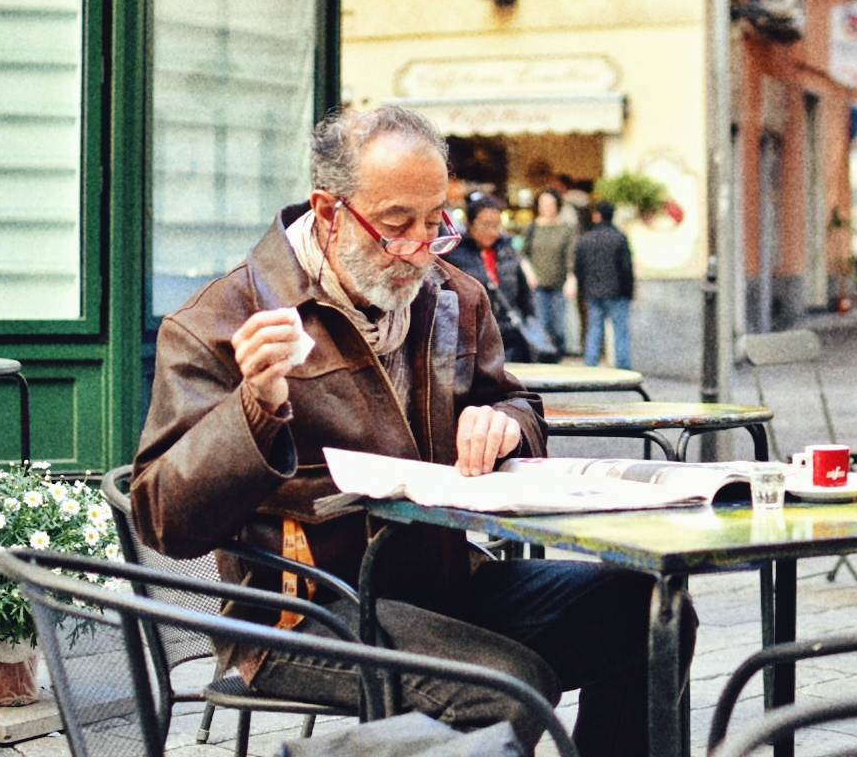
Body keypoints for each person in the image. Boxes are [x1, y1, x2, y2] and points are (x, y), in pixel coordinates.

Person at [131, 106, 692, 756]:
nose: (420, 250)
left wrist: (504, 424)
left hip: (446, 581)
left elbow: (515, 402)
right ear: (329, 210)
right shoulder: (220, 320)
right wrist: (255, 407)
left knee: (653, 612)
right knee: (509, 687)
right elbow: (163, 519)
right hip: (304, 612)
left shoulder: (453, 296)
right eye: (397, 226)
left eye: (435, 223)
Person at [443, 193, 538, 363]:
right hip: (470, 340)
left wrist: (530, 321)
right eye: (486, 225)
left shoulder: (508, 251)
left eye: (497, 225)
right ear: (470, 224)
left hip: (508, 337)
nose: (493, 232)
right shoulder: (453, 254)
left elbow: (524, 294)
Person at [573, 201, 634, 370]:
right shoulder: (619, 238)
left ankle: (590, 366)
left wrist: (583, 289)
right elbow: (626, 268)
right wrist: (629, 292)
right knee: (620, 332)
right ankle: (623, 368)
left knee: (594, 330)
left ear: (597, 216)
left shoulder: (585, 239)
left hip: (592, 293)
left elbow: (578, 268)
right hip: (617, 293)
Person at [522, 190, 578, 357]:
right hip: (537, 285)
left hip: (559, 284)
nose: (547, 208)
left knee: (559, 328)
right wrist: (529, 274)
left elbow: (571, 256)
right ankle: (544, 358)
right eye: (543, 204)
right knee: (541, 324)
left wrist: (571, 279)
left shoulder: (566, 229)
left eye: (550, 204)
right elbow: (522, 254)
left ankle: (557, 357)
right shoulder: (532, 228)